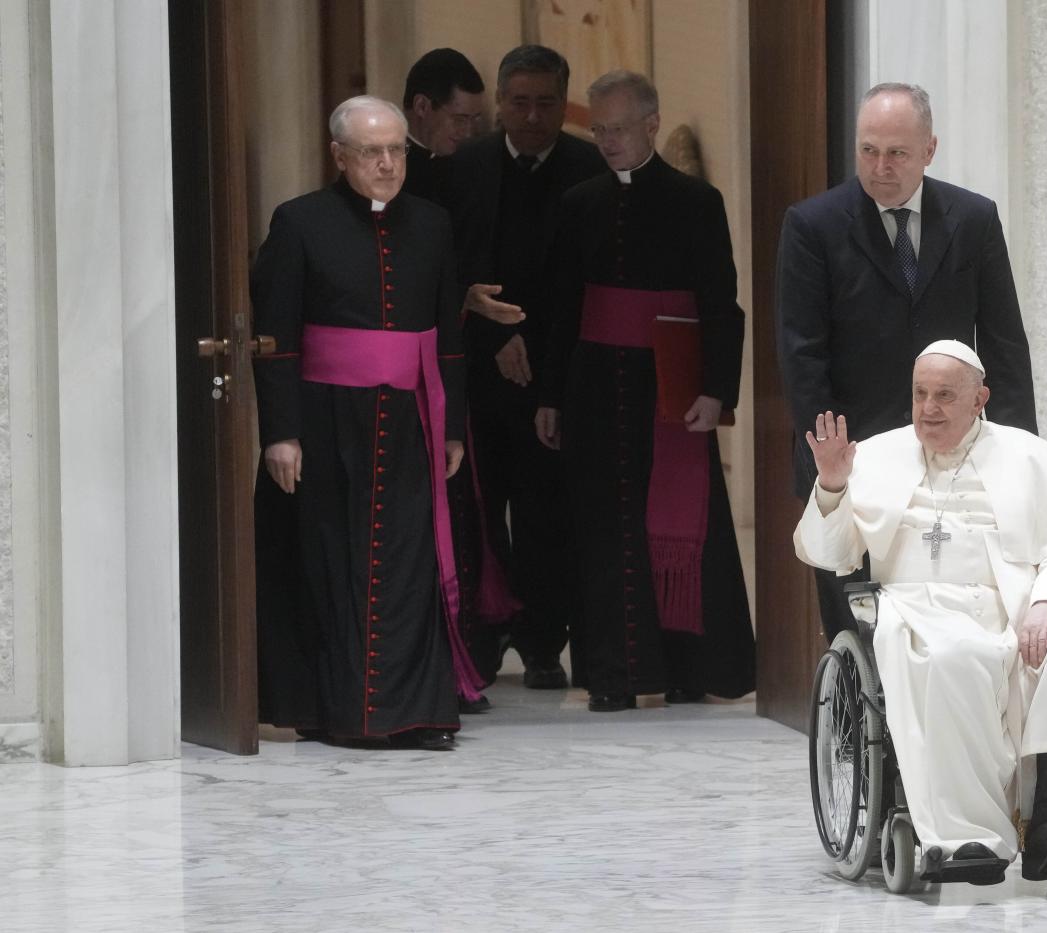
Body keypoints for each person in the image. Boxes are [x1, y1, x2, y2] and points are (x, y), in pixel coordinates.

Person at [794, 340, 1047, 884]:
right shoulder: (877, 455)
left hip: (1018, 602)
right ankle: (968, 836)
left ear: (981, 399)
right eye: (920, 394)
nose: (928, 408)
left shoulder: (1029, 455)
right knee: (957, 654)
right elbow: (830, 555)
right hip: (918, 607)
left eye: (945, 396)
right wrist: (832, 484)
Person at [251, 96, 482, 750]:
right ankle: (342, 713)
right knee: (335, 564)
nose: (387, 164)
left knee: (411, 562)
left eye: (398, 150)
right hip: (328, 424)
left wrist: (454, 428)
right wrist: (281, 432)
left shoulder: (432, 224)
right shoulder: (299, 223)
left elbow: (448, 339)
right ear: (340, 157)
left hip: (411, 419)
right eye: (372, 152)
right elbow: (278, 335)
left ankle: (416, 711)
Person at [776, 82, 1038, 644]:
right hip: (857, 450)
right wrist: (830, 463)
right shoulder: (813, 226)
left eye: (896, 152)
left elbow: (1004, 346)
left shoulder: (973, 219)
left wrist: (1020, 454)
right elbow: (802, 354)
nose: (880, 166)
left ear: (929, 149)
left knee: (958, 619)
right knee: (863, 629)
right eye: (868, 150)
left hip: (955, 454)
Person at [536, 70, 755, 712]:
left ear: (651, 125)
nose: (605, 141)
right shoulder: (579, 204)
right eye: (598, 129)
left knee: (681, 525)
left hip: (672, 389)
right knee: (603, 532)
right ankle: (612, 674)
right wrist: (550, 395)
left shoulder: (696, 201)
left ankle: (691, 669)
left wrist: (718, 389)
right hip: (596, 388)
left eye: (618, 129)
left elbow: (721, 304)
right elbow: (562, 308)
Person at [442, 45, 607, 690]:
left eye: (546, 103)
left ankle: (543, 642)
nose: (533, 116)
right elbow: (450, 267)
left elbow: (585, 278)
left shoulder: (587, 167)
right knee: (480, 514)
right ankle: (481, 646)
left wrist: (537, 348)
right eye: (520, 102)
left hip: (555, 372)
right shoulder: (466, 168)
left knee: (546, 517)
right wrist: (491, 339)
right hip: (481, 370)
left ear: (564, 103)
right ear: (501, 102)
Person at [401, 48, 486, 201]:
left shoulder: (476, 167)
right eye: (460, 119)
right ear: (422, 107)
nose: (468, 133)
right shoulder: (380, 169)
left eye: (476, 120)